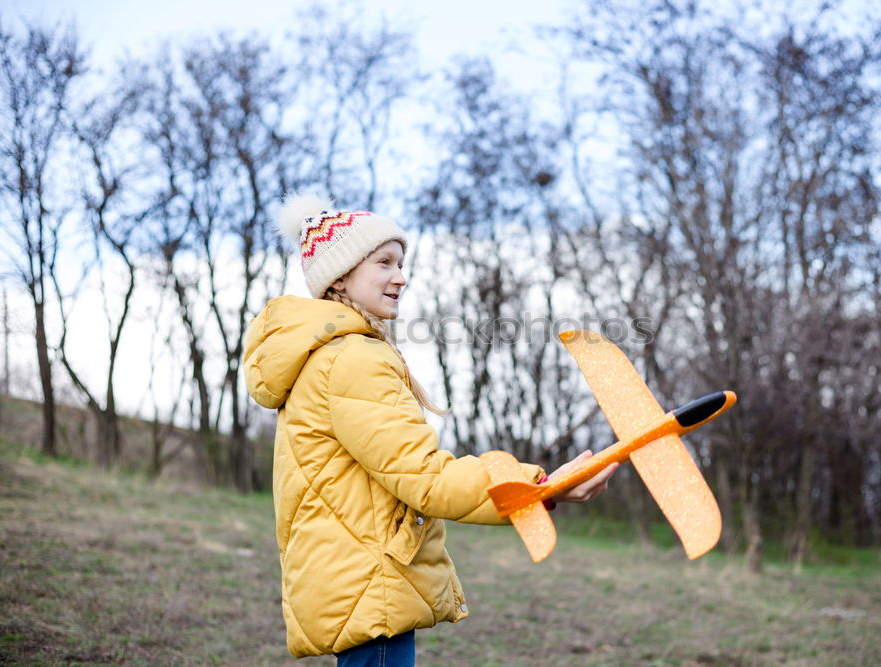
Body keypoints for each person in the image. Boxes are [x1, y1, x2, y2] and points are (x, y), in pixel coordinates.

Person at [243, 195, 618, 664]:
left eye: (402, 263)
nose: (401, 276)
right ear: (339, 276)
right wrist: (539, 488)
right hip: (372, 582)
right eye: (384, 262)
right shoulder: (351, 359)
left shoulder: (324, 357)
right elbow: (426, 477)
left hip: (358, 579)